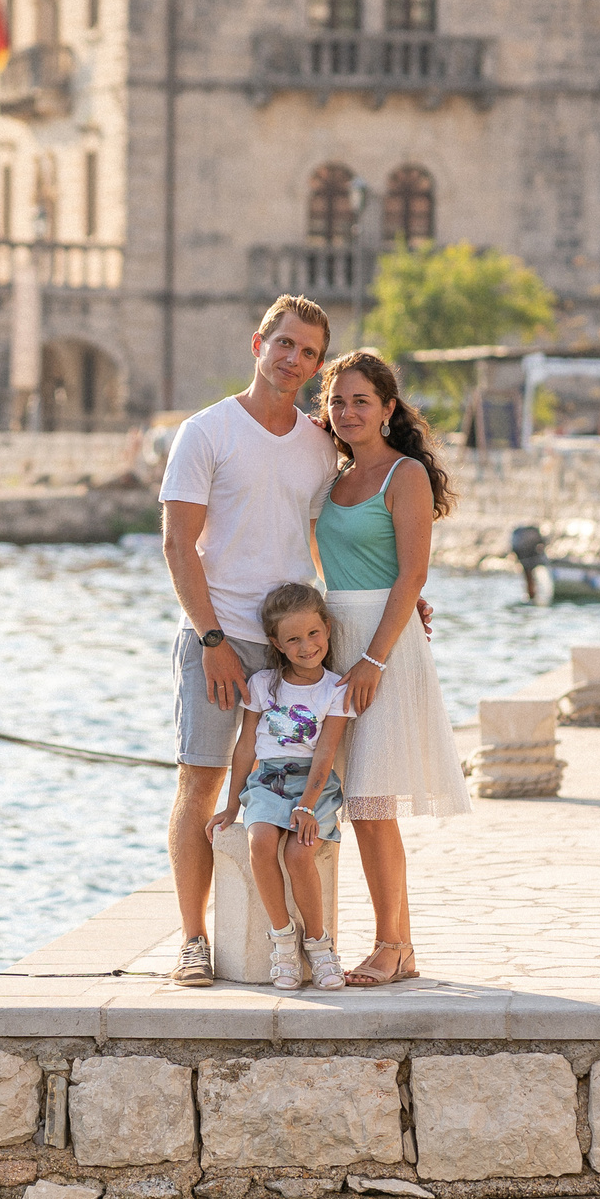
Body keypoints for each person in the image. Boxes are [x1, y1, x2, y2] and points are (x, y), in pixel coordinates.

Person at [157, 296, 339, 986]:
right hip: (218, 634)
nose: (295, 360)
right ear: (258, 343)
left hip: (296, 646)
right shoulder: (206, 432)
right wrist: (211, 639)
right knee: (200, 782)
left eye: (310, 352)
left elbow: (334, 535)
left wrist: (405, 600)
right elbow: (178, 543)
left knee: (297, 782)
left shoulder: (320, 444)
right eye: (285, 344)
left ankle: (300, 940)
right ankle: (193, 940)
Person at [310, 350, 473, 988]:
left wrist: (375, 656)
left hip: (383, 647)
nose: (348, 412)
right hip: (336, 638)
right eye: (338, 401)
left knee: (372, 801)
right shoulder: (332, 478)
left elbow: (413, 574)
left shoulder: (402, 475)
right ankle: (399, 945)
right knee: (360, 799)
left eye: (361, 401)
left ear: (387, 409)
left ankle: (391, 945)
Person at [209, 582, 350, 990]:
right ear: (277, 643)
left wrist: (307, 806)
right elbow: (245, 747)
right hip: (268, 781)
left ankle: (320, 946)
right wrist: (232, 805)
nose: (306, 645)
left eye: (313, 633)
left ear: (326, 628)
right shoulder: (262, 685)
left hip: (314, 786)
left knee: (300, 854)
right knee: (261, 843)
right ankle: (283, 940)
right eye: (293, 639)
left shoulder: (336, 689)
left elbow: (325, 756)